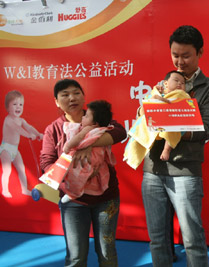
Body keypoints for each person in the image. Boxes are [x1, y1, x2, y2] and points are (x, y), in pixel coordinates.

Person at [141, 25, 209, 267]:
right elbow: (144, 118)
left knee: (192, 239)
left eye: (186, 55)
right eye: (175, 55)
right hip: (152, 169)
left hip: (185, 172)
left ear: (200, 53)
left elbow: (208, 127)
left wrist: (175, 126)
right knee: (157, 239)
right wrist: (151, 108)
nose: (179, 61)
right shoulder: (163, 84)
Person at [40, 79, 126, 266]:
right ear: (56, 101)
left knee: (107, 251)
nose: (72, 98)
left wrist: (89, 142)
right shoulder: (53, 129)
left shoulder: (97, 117)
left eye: (76, 93)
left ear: (83, 95)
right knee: (76, 256)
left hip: (106, 197)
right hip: (73, 200)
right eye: (65, 95)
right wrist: (66, 175)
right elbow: (46, 162)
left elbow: (120, 132)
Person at [124, 70, 188, 169]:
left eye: (183, 83)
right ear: (165, 83)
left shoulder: (182, 95)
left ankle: (167, 149)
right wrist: (155, 100)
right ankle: (131, 152)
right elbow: (144, 110)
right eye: (176, 80)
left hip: (173, 125)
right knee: (141, 126)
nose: (180, 83)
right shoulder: (158, 94)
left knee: (173, 129)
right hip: (155, 126)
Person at [60, 100, 116, 204]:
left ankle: (72, 194)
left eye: (86, 116)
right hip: (98, 160)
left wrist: (67, 147)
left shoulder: (88, 129)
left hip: (90, 160)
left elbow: (78, 140)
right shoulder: (103, 129)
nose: (83, 117)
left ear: (95, 123)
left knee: (77, 174)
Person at [1, 90, 43, 198]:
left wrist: (37, 134)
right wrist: (28, 135)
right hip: (6, 149)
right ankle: (5, 190)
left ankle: (24, 189)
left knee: (21, 169)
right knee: (7, 170)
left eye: (20, 104)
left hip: (15, 149)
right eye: (14, 104)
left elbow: (28, 127)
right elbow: (18, 129)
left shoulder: (21, 120)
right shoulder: (8, 120)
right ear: (7, 107)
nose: (18, 107)